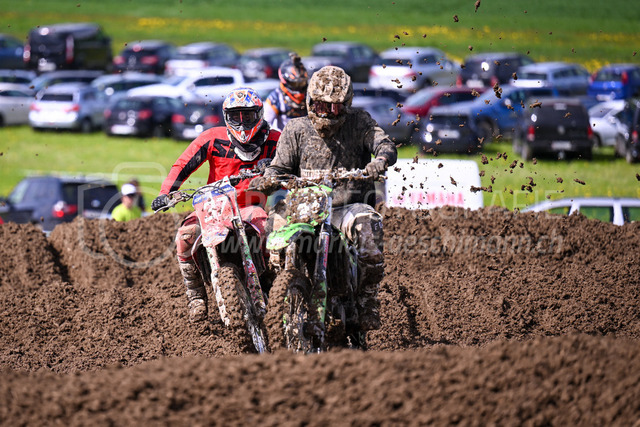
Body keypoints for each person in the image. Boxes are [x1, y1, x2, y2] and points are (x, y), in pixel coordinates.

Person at [251, 65, 397, 331]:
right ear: (309, 101)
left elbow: (383, 143)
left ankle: (368, 301)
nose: (326, 113)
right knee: (272, 228)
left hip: (348, 205)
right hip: (304, 205)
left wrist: (380, 160)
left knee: (369, 235)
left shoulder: (360, 122)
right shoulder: (296, 129)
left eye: (334, 107)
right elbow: (279, 166)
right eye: (320, 106)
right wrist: (268, 179)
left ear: (347, 105)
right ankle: (277, 291)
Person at [151, 87, 280, 323]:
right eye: (235, 117)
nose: (242, 123)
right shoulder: (213, 138)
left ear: (259, 114)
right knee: (184, 237)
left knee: (269, 235)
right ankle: (196, 297)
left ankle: (272, 284)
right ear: (226, 117)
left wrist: (277, 169)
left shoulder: (275, 140)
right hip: (214, 205)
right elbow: (183, 165)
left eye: (247, 116)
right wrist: (166, 193)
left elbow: (294, 163)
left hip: (250, 207)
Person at [263, 52, 309, 131]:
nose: (298, 88)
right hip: (285, 137)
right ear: (285, 81)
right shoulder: (275, 98)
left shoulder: (311, 96)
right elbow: (265, 125)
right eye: (294, 84)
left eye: (301, 84)